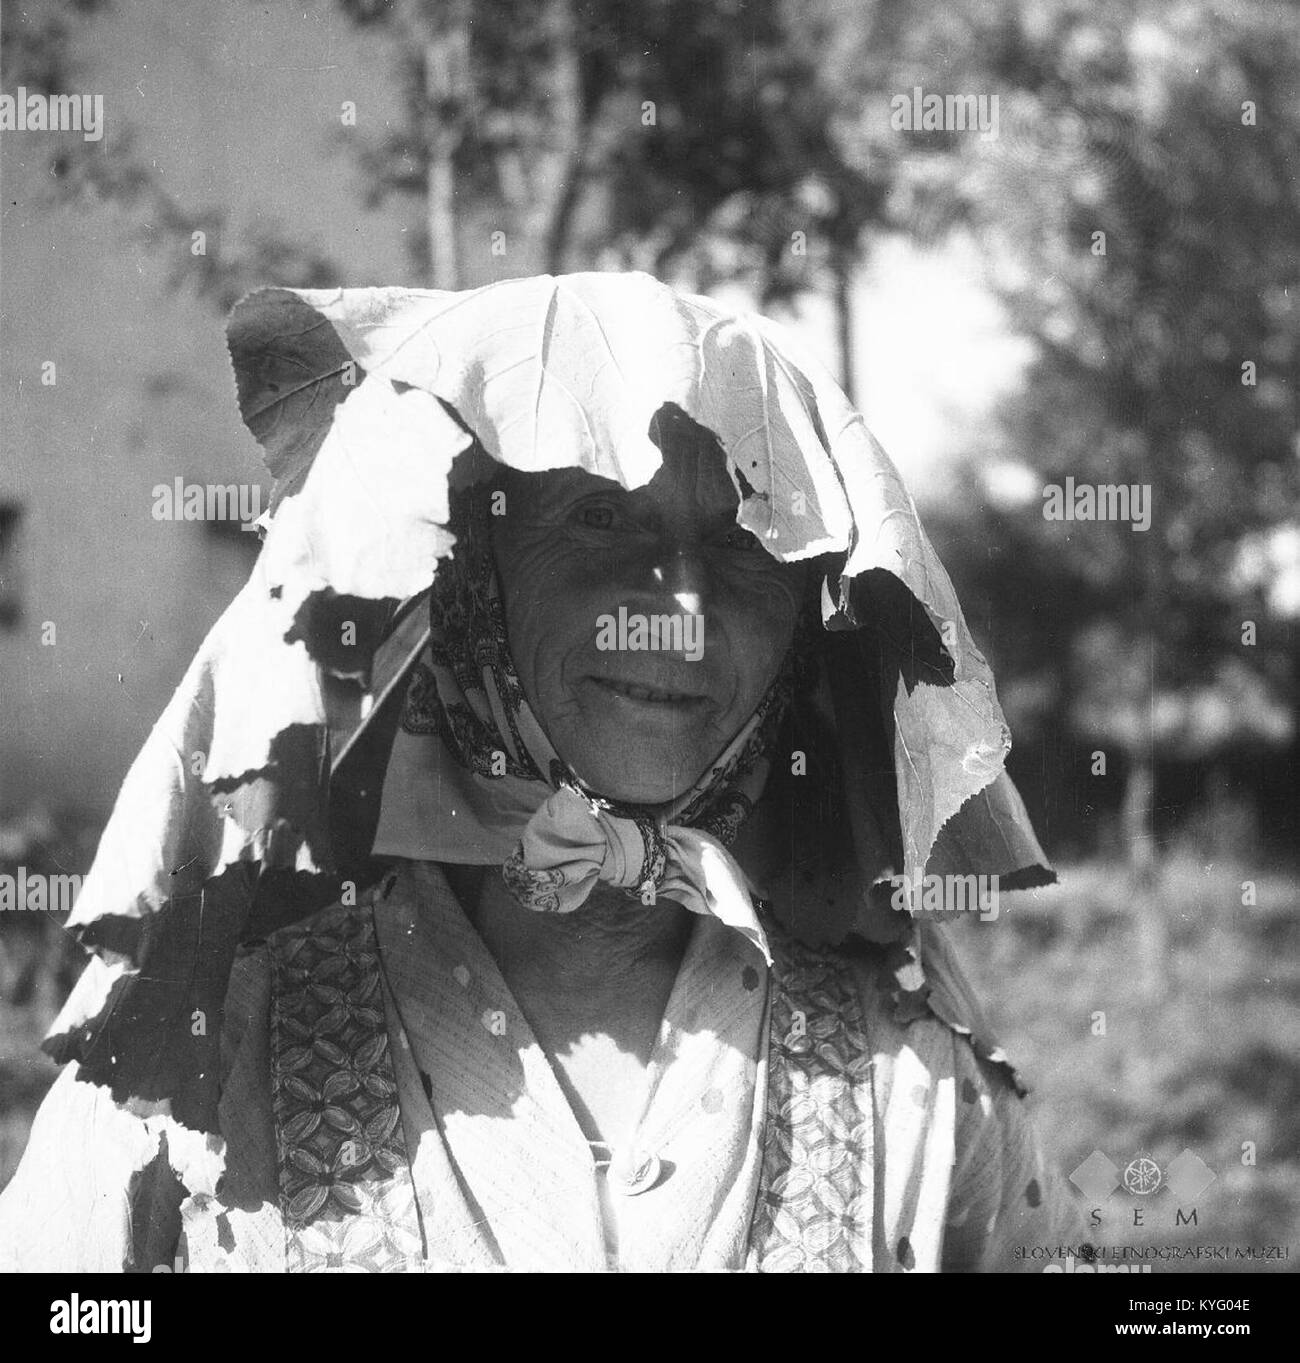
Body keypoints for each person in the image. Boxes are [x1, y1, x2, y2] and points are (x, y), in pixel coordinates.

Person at [0, 272, 1082, 1271]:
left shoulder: (915, 1092)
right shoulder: (194, 1062)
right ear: (469, 579)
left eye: (747, 539)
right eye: (600, 518)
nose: (680, 611)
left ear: (801, 624)